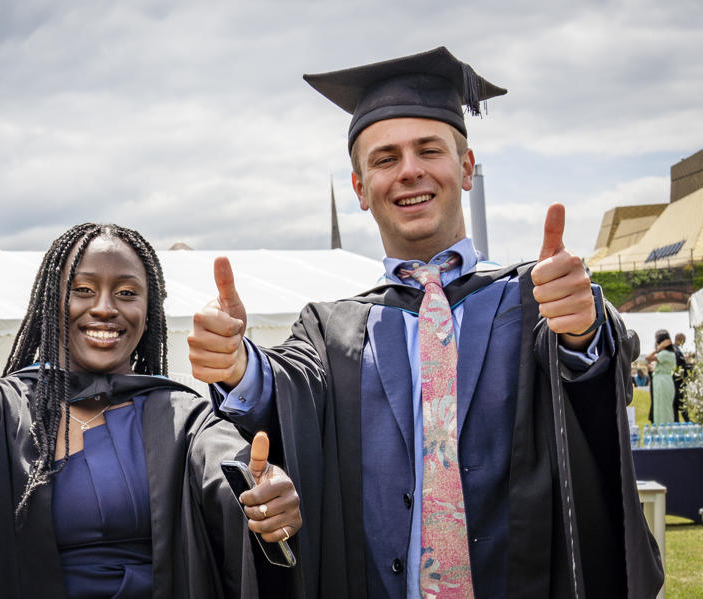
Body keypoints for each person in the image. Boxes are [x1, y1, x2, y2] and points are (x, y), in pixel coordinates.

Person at [188, 47, 662, 598]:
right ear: (361, 188)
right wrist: (238, 364)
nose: (409, 169)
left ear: (465, 167)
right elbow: (288, 387)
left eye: (428, 150)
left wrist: (582, 330)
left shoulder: (538, 299)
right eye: (385, 158)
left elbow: (598, 376)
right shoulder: (334, 328)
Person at [0, 223, 303, 599]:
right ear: (51, 303)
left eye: (127, 292)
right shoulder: (5, 404)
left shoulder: (180, 415)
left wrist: (266, 491)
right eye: (83, 290)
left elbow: (227, 461)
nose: (105, 307)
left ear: (148, 313)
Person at [647, 329, 677, 425]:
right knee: (661, 407)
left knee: (663, 407)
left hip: (663, 381)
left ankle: (664, 428)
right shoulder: (668, 354)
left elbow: (648, 357)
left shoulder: (665, 353)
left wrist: (659, 348)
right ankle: (662, 428)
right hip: (663, 380)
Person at [673, 332, 691, 421]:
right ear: (680, 339)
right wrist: (689, 366)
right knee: (680, 403)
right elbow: (679, 366)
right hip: (677, 381)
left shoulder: (676, 349)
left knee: (677, 404)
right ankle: (687, 421)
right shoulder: (675, 350)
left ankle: (681, 421)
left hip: (677, 382)